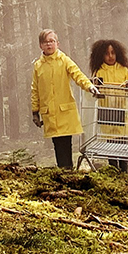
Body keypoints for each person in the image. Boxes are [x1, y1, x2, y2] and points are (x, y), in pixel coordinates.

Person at [30, 29, 97, 169]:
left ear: (57, 44)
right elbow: (35, 89)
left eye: (52, 41)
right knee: (57, 143)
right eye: (45, 42)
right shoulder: (38, 66)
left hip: (65, 111)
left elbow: (77, 74)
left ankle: (68, 170)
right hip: (50, 112)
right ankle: (63, 170)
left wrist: (89, 87)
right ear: (40, 45)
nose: (49, 45)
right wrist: (35, 111)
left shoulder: (64, 60)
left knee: (66, 141)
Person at [89, 39, 128, 170]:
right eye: (107, 53)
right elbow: (95, 88)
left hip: (121, 111)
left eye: (113, 53)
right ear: (101, 55)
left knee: (122, 142)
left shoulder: (123, 70)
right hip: (107, 111)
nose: (110, 56)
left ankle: (124, 171)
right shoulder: (99, 71)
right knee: (111, 143)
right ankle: (113, 169)